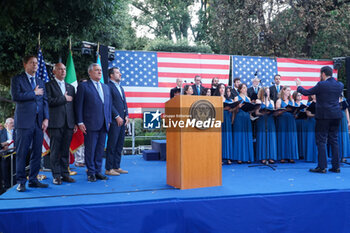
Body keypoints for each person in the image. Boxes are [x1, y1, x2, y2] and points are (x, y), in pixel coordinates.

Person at [11, 55, 49, 192]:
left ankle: (33, 180)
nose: (35, 65)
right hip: (23, 122)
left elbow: (44, 101)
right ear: (25, 64)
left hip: (39, 123)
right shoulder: (17, 79)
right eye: (32, 63)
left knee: (37, 153)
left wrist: (46, 119)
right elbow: (16, 97)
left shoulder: (40, 80)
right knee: (22, 153)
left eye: (36, 63)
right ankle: (21, 182)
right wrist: (33, 93)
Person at [296, 66, 344, 173]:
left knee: (321, 140)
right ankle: (336, 166)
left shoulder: (321, 85)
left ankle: (322, 167)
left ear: (323, 74)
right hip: (336, 116)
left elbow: (306, 92)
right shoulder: (340, 85)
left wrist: (299, 86)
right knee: (334, 140)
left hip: (324, 116)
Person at [75, 63, 112, 182]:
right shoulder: (84, 86)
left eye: (100, 70)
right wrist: (80, 122)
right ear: (90, 72)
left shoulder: (106, 87)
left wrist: (109, 120)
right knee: (90, 149)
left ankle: (98, 171)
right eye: (96, 70)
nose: (99, 72)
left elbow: (108, 105)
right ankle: (90, 172)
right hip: (90, 124)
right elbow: (78, 105)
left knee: (100, 149)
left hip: (104, 123)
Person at [45, 63, 76, 185]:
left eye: (64, 69)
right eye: (60, 69)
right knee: (55, 150)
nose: (63, 71)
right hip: (55, 123)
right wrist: (63, 99)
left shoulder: (70, 87)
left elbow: (73, 106)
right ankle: (56, 175)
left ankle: (65, 174)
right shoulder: (49, 86)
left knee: (65, 150)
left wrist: (74, 123)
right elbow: (48, 101)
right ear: (54, 72)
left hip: (68, 124)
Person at [105, 67, 129, 176]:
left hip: (123, 120)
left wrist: (126, 115)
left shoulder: (121, 87)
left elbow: (124, 103)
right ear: (111, 75)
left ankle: (116, 166)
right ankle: (109, 168)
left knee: (119, 144)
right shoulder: (108, 87)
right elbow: (110, 103)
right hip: (115, 121)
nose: (120, 74)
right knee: (112, 144)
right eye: (118, 73)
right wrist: (117, 116)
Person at [275, 86, 299, 163]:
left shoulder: (291, 101)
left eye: (290, 90)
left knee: (291, 137)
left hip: (291, 120)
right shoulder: (279, 101)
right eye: (288, 90)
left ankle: (291, 156)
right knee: (283, 137)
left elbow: (293, 111)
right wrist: (285, 110)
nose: (289, 92)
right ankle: (282, 156)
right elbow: (276, 113)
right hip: (282, 121)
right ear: (284, 91)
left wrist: (295, 112)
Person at [232, 83, 254, 164]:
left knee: (247, 136)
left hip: (246, 118)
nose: (245, 89)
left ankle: (248, 157)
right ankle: (239, 157)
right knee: (239, 137)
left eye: (246, 88)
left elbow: (250, 110)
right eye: (244, 88)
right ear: (240, 89)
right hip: (239, 117)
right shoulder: (236, 98)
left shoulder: (248, 98)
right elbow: (234, 110)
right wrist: (238, 106)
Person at [254, 87, 277, 164]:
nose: (268, 93)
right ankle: (263, 157)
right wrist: (263, 113)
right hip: (262, 120)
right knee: (262, 138)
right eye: (266, 91)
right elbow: (256, 113)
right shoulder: (258, 101)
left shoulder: (272, 101)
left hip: (270, 121)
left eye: (269, 91)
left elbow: (273, 111)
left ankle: (271, 157)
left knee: (271, 138)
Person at [216, 84, 234, 164]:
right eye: (220, 88)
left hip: (227, 119)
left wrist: (232, 108)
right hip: (219, 119)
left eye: (223, 87)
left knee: (227, 137)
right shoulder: (215, 99)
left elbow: (232, 108)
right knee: (220, 138)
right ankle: (219, 158)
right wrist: (224, 108)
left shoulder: (228, 99)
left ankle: (228, 157)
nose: (222, 89)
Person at [0, 117, 15, 189]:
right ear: (6, 124)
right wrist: (3, 146)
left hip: (15, 154)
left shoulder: (16, 132)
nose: (13, 124)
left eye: (13, 122)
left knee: (15, 171)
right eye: (11, 123)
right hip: (4, 155)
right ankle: (7, 187)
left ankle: (15, 185)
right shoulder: (1, 132)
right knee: (5, 172)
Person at [292, 91, 307, 160]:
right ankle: (297, 153)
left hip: (302, 122)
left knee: (302, 137)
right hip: (295, 122)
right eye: (298, 95)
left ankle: (302, 153)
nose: (300, 96)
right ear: (295, 96)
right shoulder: (293, 104)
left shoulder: (302, 104)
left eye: (300, 95)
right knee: (297, 137)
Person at [304, 95, 318, 162]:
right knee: (311, 138)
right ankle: (310, 157)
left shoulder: (321, 102)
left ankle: (319, 156)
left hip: (319, 122)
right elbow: (308, 114)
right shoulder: (309, 103)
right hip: (311, 122)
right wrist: (316, 115)